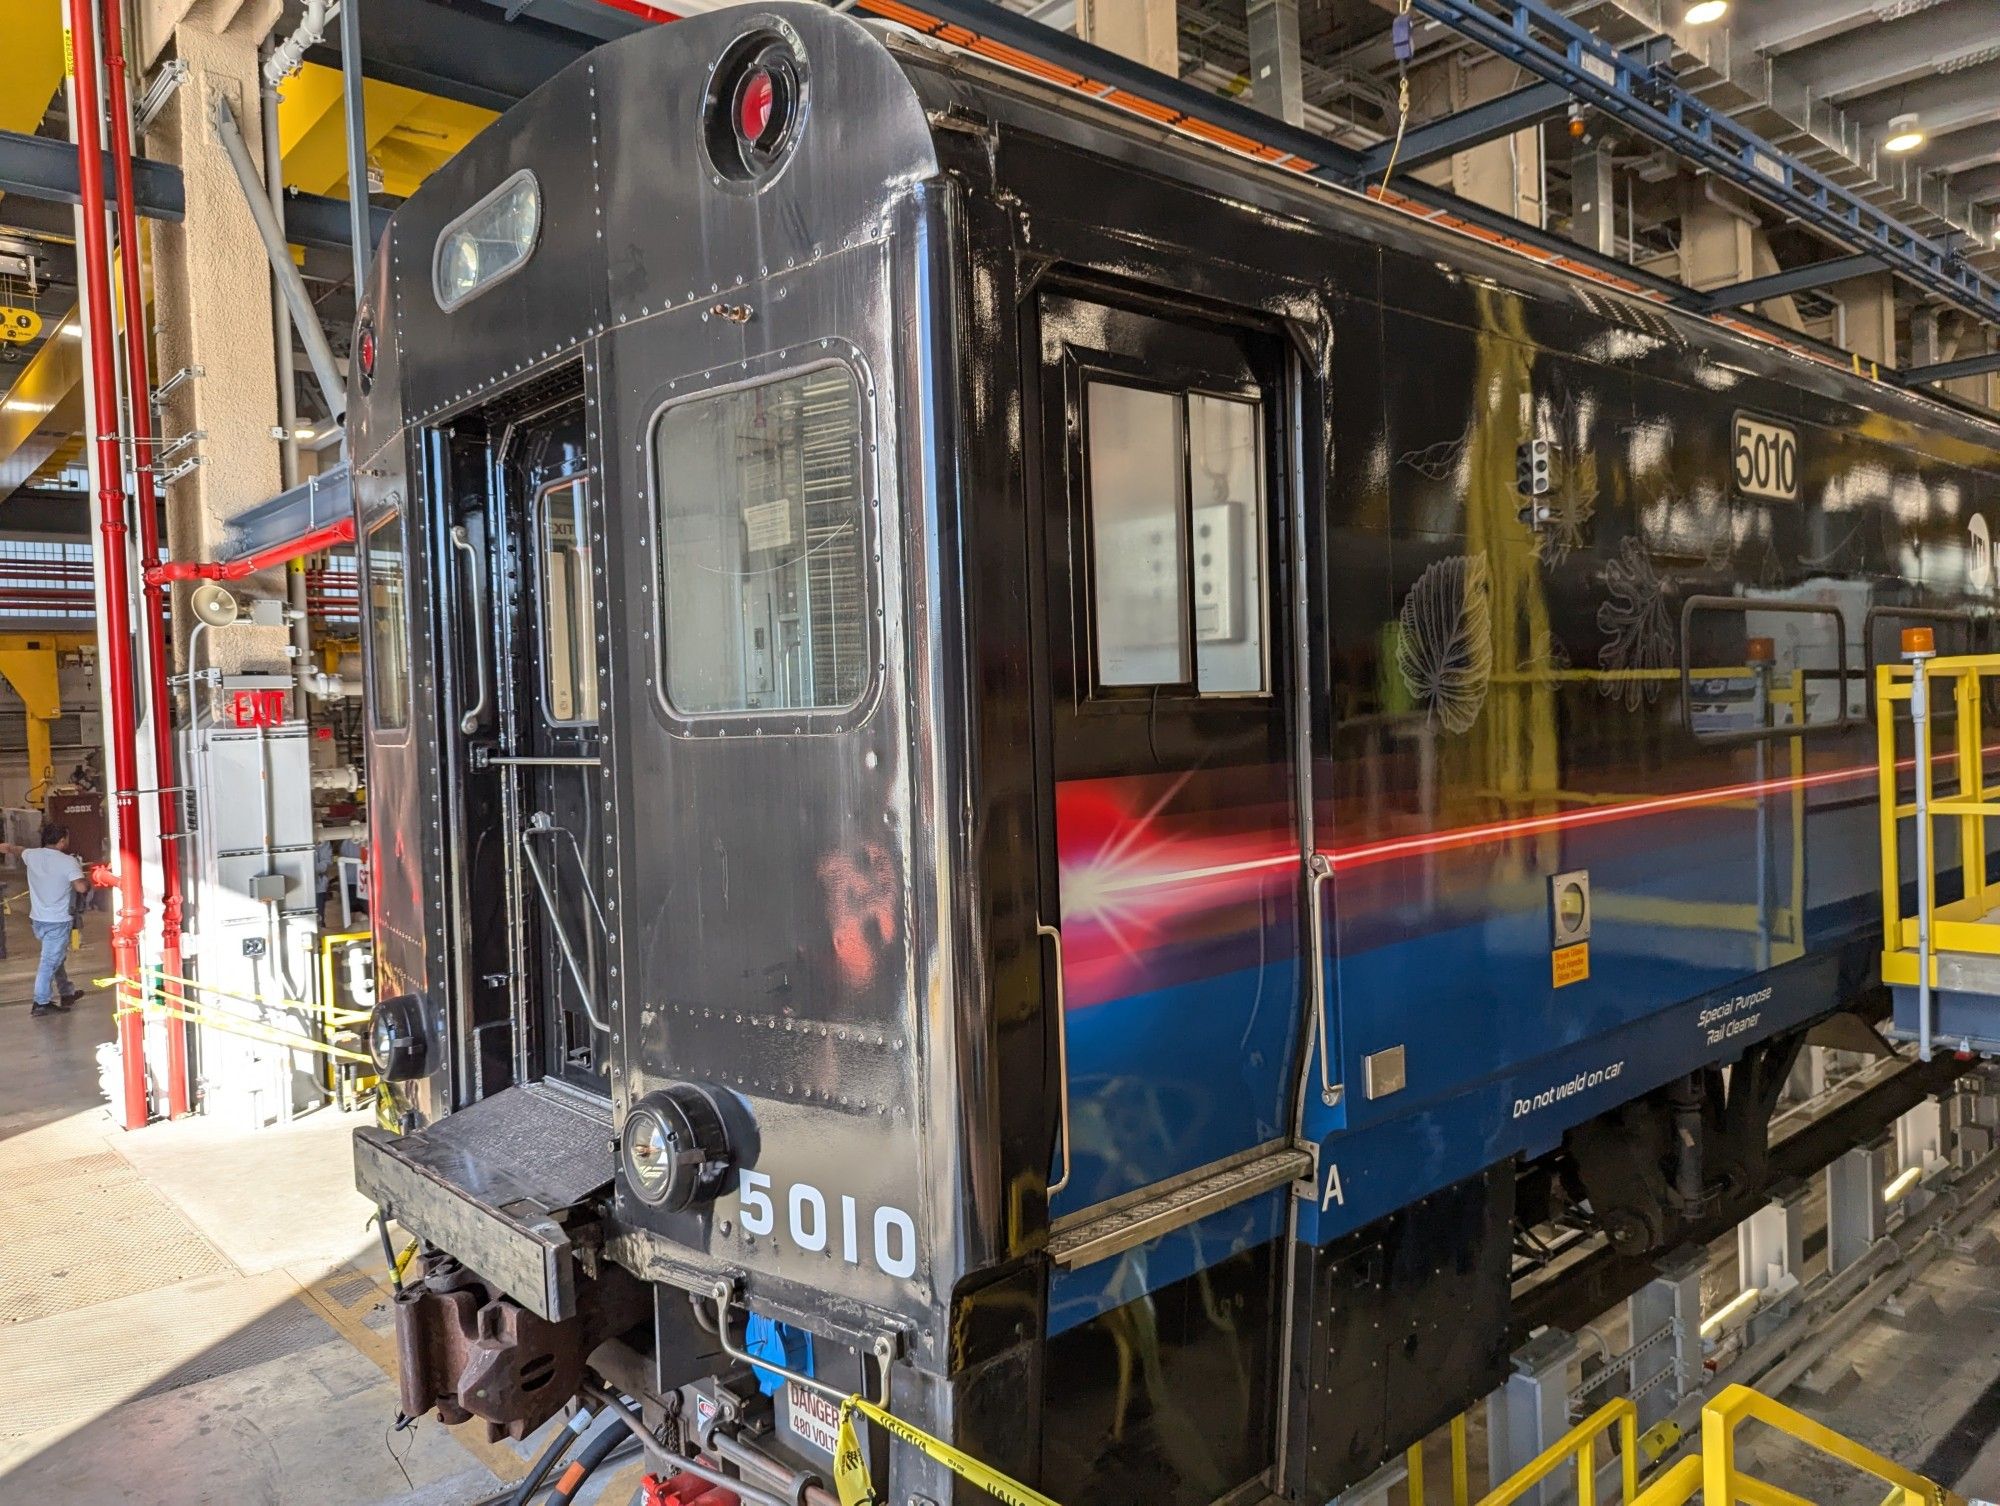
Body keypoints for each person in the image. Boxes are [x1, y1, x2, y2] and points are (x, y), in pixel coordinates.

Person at [1, 824, 90, 1017]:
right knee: (49, 961)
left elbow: (15, 849)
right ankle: (41, 1003)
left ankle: (66, 992)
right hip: (57, 921)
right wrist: (88, 880)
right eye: (67, 838)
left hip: (37, 920)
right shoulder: (68, 862)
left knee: (56, 957)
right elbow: (81, 888)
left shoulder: (31, 855)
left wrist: (5, 847)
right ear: (61, 841)